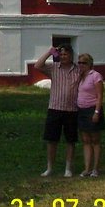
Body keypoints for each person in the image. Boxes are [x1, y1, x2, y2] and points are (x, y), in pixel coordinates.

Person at [33, 44, 80, 178]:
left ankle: (68, 168)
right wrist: (49, 52)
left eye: (66, 54)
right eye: (61, 54)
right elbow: (37, 66)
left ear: (71, 55)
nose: (63, 57)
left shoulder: (78, 70)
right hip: (55, 108)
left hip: (72, 109)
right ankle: (50, 168)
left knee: (70, 140)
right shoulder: (53, 68)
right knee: (52, 140)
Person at [76, 53, 105, 177]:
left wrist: (96, 112)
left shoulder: (95, 76)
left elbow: (99, 95)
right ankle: (87, 168)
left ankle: (95, 168)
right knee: (86, 140)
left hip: (92, 109)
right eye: (80, 62)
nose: (81, 65)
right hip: (81, 110)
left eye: (84, 62)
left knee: (95, 139)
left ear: (90, 64)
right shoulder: (80, 76)